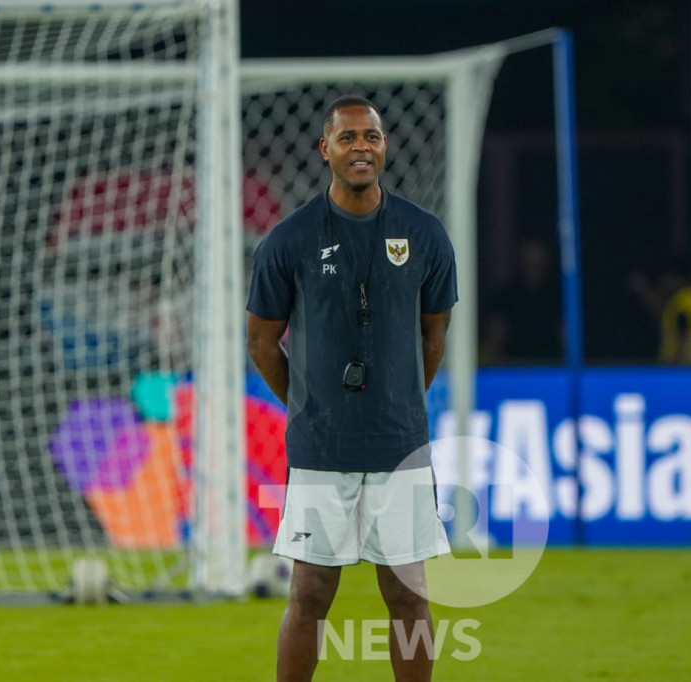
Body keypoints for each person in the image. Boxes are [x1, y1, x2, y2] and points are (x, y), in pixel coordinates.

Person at [245, 95, 456, 682]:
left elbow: (433, 337)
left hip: (399, 447)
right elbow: (262, 341)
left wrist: (401, 402)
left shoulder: (424, 233)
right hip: (320, 449)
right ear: (325, 149)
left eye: (372, 136)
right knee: (309, 593)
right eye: (348, 138)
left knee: (408, 596)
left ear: (384, 145)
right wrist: (307, 406)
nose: (361, 146)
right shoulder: (290, 239)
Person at [629, 254, 691, 364]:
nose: (664, 284)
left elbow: (683, 341)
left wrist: (676, 368)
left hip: (686, 368)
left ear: (676, 277)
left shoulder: (682, 302)